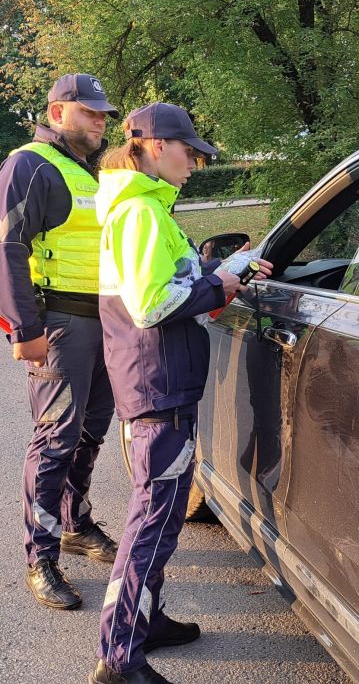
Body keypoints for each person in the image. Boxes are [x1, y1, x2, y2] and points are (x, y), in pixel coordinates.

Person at [90, 103, 272, 684]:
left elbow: (171, 277)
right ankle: (119, 657)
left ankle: (147, 619)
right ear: (151, 145)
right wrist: (219, 283)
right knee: (153, 518)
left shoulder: (141, 207)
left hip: (157, 378)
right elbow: (152, 305)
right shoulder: (140, 211)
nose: (195, 163)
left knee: (162, 516)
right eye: (188, 152)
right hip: (158, 383)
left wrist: (226, 267)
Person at [0, 73, 122, 611]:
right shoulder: (29, 164)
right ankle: (40, 556)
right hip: (62, 327)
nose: (100, 120)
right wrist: (26, 330)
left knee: (91, 432)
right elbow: (7, 246)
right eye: (89, 111)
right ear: (57, 111)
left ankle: (74, 523)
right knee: (56, 439)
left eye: (103, 113)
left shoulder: (88, 172)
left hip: (107, 325)